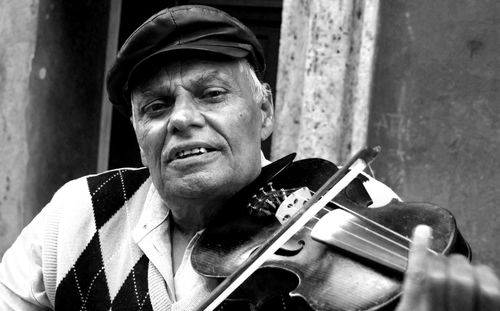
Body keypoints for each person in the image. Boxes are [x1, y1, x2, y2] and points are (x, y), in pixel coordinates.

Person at [0, 5, 498, 311]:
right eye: (156, 106)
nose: (181, 119)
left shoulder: (354, 205)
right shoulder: (79, 214)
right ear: (137, 133)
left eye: (212, 94)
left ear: (264, 111)